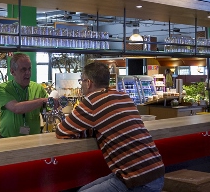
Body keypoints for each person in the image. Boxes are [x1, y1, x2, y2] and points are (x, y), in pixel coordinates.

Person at [56, 61, 164, 192]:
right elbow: (104, 125)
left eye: (81, 81)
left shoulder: (92, 101)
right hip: (156, 172)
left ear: (88, 83)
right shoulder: (124, 96)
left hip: (137, 180)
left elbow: (61, 130)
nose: (81, 85)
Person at [0, 53, 49, 138]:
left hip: (33, 139)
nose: (28, 73)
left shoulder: (38, 88)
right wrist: (41, 101)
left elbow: (48, 112)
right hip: (8, 139)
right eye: (23, 70)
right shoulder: (2, 88)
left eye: (29, 69)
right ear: (12, 71)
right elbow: (16, 108)